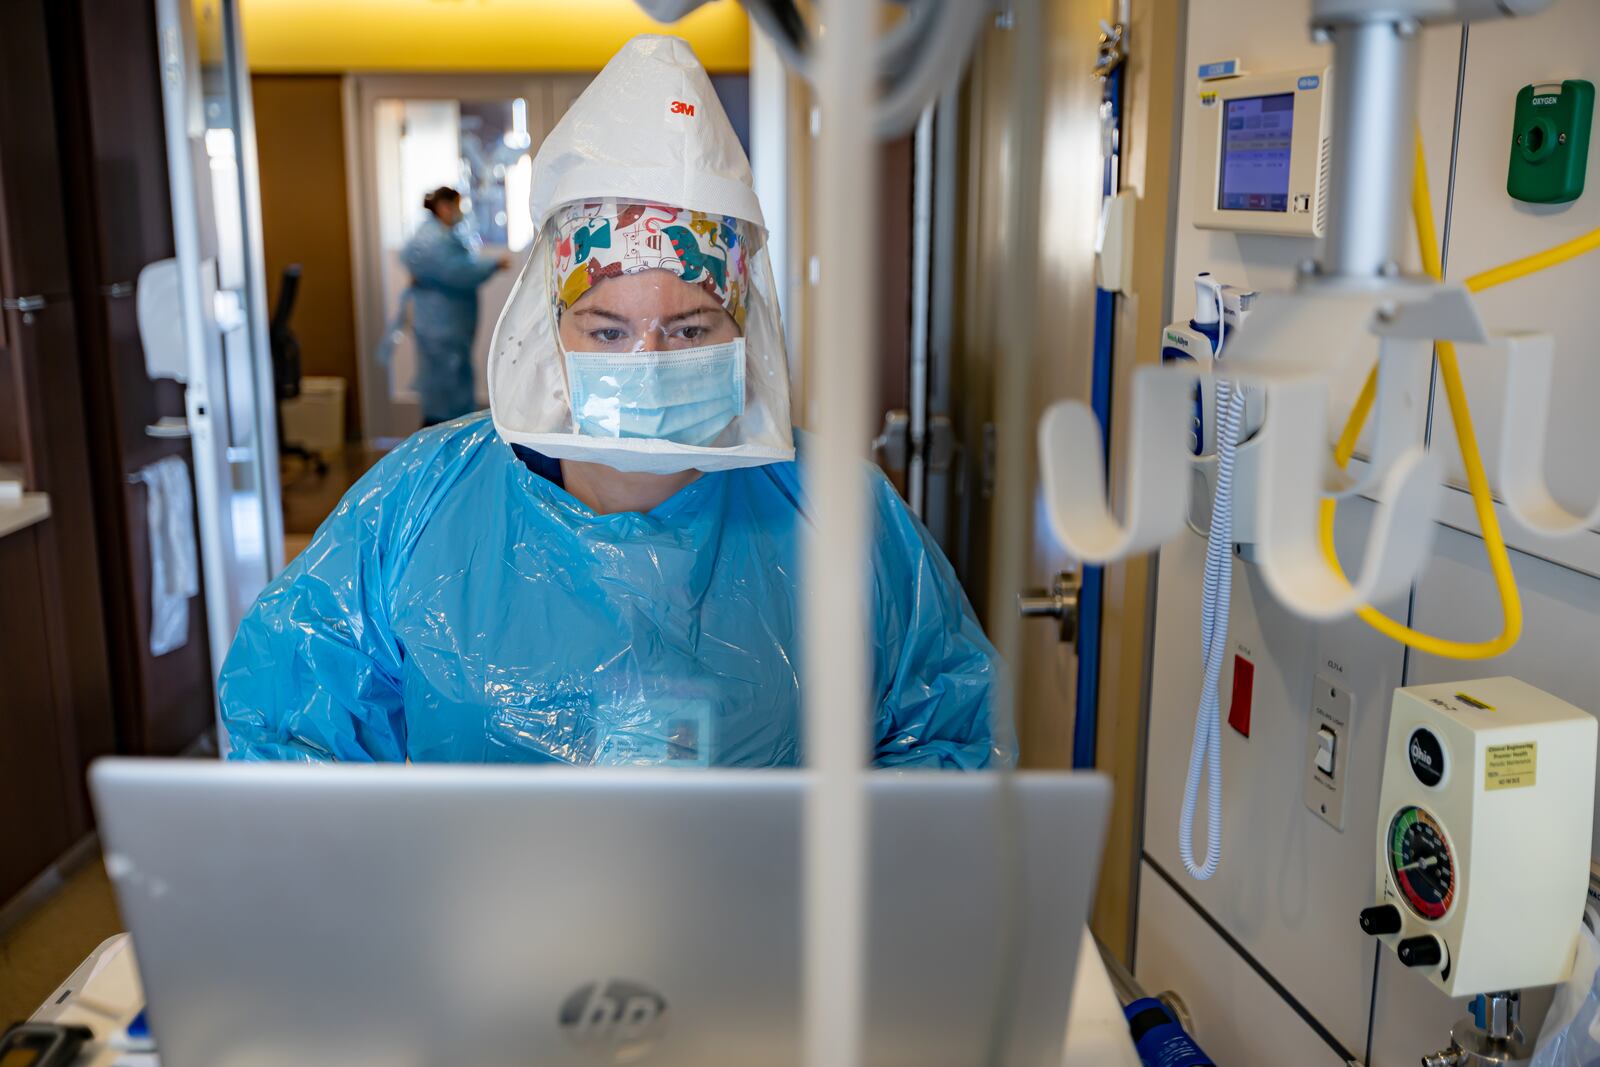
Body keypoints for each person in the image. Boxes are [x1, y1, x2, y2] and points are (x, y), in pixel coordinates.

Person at [219, 35, 1009, 769]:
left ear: (742, 328)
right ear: (551, 328)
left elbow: (949, 742)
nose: (649, 362)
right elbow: (287, 728)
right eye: (607, 330)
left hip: (758, 921)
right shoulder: (421, 501)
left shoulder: (839, 515)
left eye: (689, 326)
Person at [399, 186, 511, 426]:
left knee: (448, 385)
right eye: (458, 206)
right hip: (441, 326)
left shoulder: (436, 234)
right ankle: (442, 447)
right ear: (444, 207)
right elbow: (459, 272)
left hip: (443, 323)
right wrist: (492, 265)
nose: (461, 212)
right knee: (445, 391)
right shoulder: (434, 239)